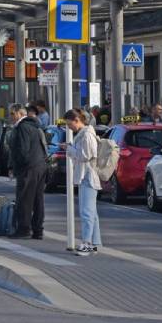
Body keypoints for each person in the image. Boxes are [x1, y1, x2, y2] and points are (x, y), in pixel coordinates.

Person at [63, 108, 102, 256]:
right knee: (92, 213)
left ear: (77, 120)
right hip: (86, 176)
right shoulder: (84, 135)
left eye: (69, 124)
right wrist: (71, 148)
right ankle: (93, 244)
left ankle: (87, 244)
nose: (69, 127)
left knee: (86, 213)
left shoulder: (86, 135)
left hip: (88, 177)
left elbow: (85, 155)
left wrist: (70, 149)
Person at [7, 104, 46, 239]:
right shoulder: (34, 126)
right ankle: (38, 230)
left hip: (28, 167)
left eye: (12, 114)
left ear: (19, 113)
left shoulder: (22, 127)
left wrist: (16, 167)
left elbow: (22, 150)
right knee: (37, 199)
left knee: (24, 199)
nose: (10, 117)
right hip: (39, 165)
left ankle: (23, 229)